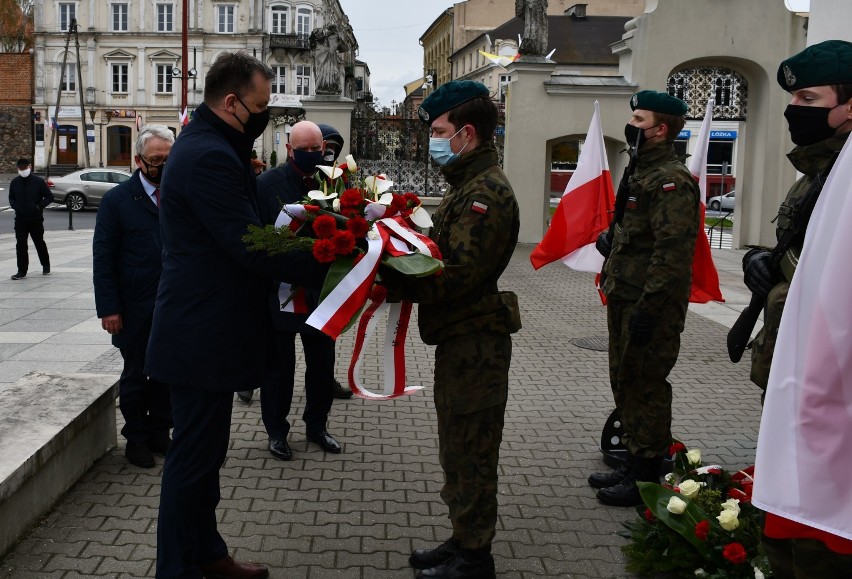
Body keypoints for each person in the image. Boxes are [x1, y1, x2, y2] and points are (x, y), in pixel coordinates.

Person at [145, 52, 327, 579]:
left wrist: (322, 237)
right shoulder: (207, 156)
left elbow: (249, 233)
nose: (264, 114)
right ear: (231, 102)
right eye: (260, 105)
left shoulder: (217, 146)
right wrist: (333, 260)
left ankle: (208, 554)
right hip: (199, 335)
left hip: (210, 332)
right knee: (193, 461)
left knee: (207, 458)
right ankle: (177, 569)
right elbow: (249, 244)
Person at [383, 80, 521, 579]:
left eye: (438, 131)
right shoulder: (468, 185)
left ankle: (475, 558)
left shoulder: (486, 192)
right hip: (462, 341)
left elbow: (458, 273)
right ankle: (463, 538)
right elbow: (443, 250)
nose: (433, 139)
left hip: (476, 344)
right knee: (458, 448)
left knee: (472, 451)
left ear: (466, 133)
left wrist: (389, 277)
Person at [747, 40, 852, 578]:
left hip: (830, 392)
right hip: (795, 378)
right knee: (785, 524)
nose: (795, 109)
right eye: (792, 97)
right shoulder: (820, 171)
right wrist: (768, 264)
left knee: (818, 539)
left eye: (809, 97)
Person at [588, 90, 699, 507]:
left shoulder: (670, 180)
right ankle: (634, 460)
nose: (631, 126)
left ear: (661, 129)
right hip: (626, 295)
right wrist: (611, 243)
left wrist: (650, 311)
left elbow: (672, 255)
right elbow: (639, 236)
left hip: (650, 305)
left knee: (646, 385)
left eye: (639, 119)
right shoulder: (640, 171)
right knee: (624, 381)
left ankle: (647, 476)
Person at [256, 120, 343, 462]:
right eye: (303, 149)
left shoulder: (334, 181)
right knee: (279, 368)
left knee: (322, 365)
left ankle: (317, 427)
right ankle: (277, 431)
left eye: (316, 149)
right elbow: (258, 239)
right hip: (281, 293)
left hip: (322, 292)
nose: (311, 155)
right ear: (289, 149)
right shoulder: (267, 185)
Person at [93, 125, 174, 469]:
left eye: (169, 160)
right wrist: (109, 308)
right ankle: (136, 439)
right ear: (139, 161)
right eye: (156, 161)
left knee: (167, 374)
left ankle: (160, 431)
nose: (163, 167)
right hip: (134, 308)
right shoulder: (117, 201)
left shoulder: (178, 195)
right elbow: (103, 258)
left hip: (172, 306)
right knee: (136, 375)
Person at [317, 122, 354, 400]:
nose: (328, 154)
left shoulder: (341, 177)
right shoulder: (303, 176)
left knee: (325, 333)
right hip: (295, 265)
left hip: (328, 262)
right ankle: (252, 380)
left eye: (333, 149)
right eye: (324, 147)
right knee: (276, 336)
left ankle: (325, 379)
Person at [8, 158, 52, 280]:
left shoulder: (38, 182)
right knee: (21, 244)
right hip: (20, 219)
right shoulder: (15, 182)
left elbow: (49, 197)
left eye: (24, 168)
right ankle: (21, 271)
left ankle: (45, 265)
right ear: (18, 168)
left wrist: (39, 206)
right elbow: (11, 198)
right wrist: (15, 206)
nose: (23, 170)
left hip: (35, 218)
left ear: (30, 167)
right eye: (20, 168)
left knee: (39, 242)